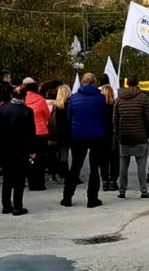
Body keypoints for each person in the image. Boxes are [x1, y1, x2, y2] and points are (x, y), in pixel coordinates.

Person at [61, 72, 105, 208]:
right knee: (94, 168)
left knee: (75, 166)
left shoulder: (73, 98)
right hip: (96, 135)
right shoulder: (101, 98)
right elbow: (104, 115)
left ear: (83, 82)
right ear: (95, 82)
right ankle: (92, 198)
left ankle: (67, 197)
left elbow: (68, 116)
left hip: (78, 134)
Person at [0, 86, 36, 216]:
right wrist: (32, 150)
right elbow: (30, 132)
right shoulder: (27, 111)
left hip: (5, 147)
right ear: (24, 97)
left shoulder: (2, 110)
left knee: (7, 178)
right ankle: (18, 206)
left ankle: (6, 205)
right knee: (19, 178)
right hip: (21, 148)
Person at [114, 75, 149, 199]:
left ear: (127, 84)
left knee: (123, 164)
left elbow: (115, 120)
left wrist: (118, 134)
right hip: (140, 135)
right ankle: (144, 190)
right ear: (137, 83)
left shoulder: (119, 99)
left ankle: (122, 190)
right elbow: (148, 119)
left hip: (124, 136)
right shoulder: (143, 98)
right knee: (141, 165)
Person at [23, 78, 51, 191]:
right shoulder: (40, 99)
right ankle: (39, 183)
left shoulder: (23, 99)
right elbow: (47, 116)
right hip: (40, 131)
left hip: (26, 132)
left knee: (29, 157)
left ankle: (31, 181)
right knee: (40, 158)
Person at [48, 85, 72, 181]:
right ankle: (63, 172)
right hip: (65, 134)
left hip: (54, 133)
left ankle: (52, 173)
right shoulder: (69, 105)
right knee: (64, 154)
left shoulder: (55, 105)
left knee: (53, 154)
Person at [99, 85, 119, 192]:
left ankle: (105, 180)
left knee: (103, 159)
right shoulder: (115, 106)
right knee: (114, 159)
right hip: (113, 135)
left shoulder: (99, 107)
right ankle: (113, 180)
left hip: (102, 135)